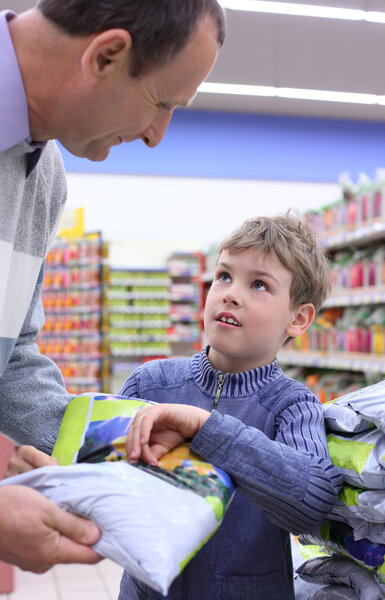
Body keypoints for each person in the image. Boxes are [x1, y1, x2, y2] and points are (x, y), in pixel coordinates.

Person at [0, 0, 224, 573]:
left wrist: (114, 445)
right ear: (106, 55)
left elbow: (15, 354)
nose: (156, 136)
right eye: (161, 103)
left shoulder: (43, 179)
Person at [118, 213, 343, 599]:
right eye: (224, 276)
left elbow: (313, 500)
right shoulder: (150, 384)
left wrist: (207, 428)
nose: (230, 293)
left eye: (258, 284)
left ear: (299, 318)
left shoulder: (292, 406)